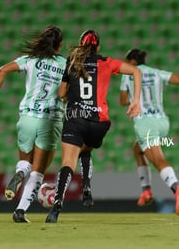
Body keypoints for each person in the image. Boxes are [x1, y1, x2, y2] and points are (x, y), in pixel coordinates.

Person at [45, 29, 142, 223]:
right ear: (97, 46)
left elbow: (62, 93)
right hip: (99, 122)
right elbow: (136, 71)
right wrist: (136, 101)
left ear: (81, 44)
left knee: (68, 162)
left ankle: (57, 204)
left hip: (75, 118)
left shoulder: (71, 61)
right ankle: (87, 185)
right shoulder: (105, 62)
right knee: (85, 150)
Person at [0, 25, 66, 223]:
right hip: (50, 119)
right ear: (60, 44)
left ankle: (20, 171)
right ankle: (20, 211)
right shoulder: (66, 64)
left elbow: (2, 70)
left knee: (26, 162)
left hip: (27, 117)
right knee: (38, 171)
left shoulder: (31, 60)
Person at [119, 48, 179, 215]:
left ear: (131, 62)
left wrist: (133, 97)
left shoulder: (128, 74)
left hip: (145, 123)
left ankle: (176, 187)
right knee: (137, 150)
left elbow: (123, 101)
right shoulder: (157, 73)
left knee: (158, 160)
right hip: (162, 122)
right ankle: (146, 190)